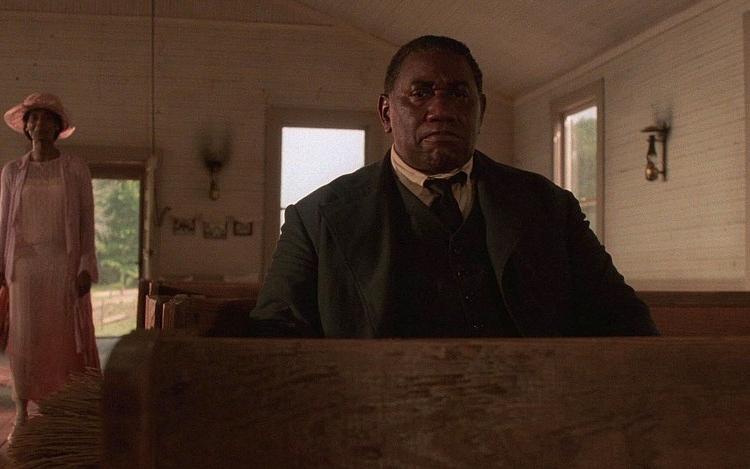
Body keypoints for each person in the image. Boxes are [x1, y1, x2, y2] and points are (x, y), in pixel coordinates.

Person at [250, 35, 658, 338]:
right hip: (376, 417)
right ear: (386, 113)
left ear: (481, 110)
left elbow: (625, 322)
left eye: (459, 94)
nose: (441, 110)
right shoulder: (317, 219)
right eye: (420, 93)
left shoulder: (550, 207)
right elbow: (273, 344)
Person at [0, 92, 100, 439]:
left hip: (62, 265)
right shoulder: (12, 171)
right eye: (33, 118)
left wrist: (86, 265)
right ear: (26, 127)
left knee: (63, 340)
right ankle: (21, 411)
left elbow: (86, 221)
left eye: (47, 118)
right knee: (24, 339)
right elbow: (4, 225)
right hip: (23, 269)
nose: (39, 124)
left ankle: (61, 408)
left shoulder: (75, 168)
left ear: (57, 127)